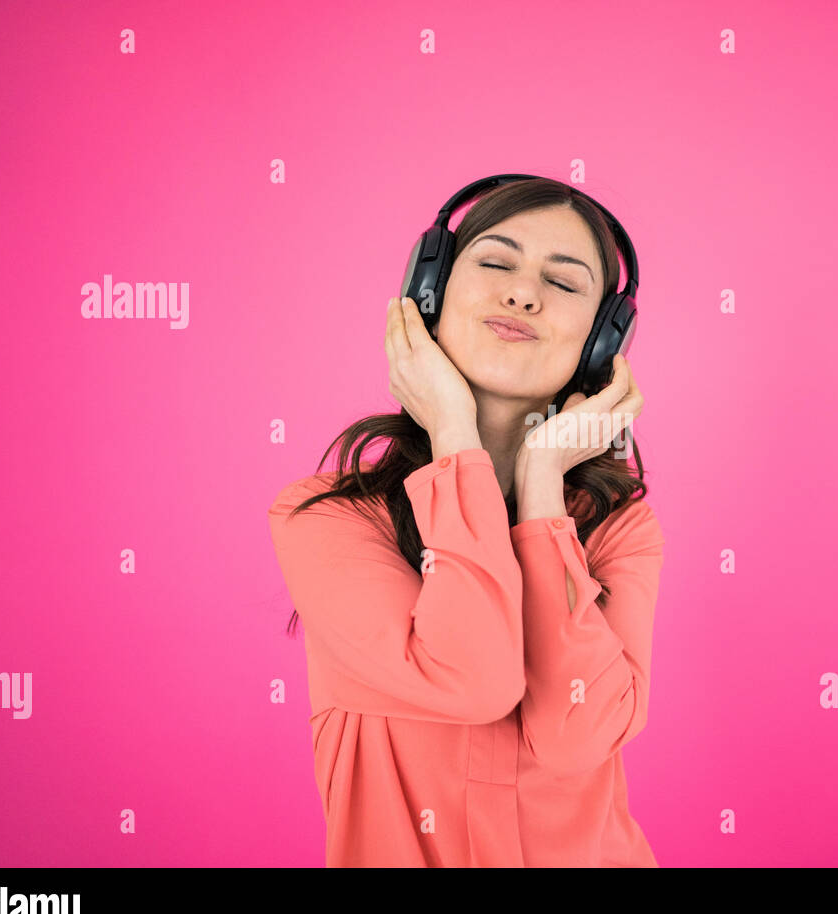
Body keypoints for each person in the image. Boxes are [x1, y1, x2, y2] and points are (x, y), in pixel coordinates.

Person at [266, 176, 665, 866]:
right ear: (430, 291)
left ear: (602, 342)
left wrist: (542, 485)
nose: (522, 293)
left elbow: (576, 736)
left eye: (563, 284)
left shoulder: (619, 531)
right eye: (495, 262)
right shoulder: (327, 519)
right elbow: (472, 680)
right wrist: (454, 432)